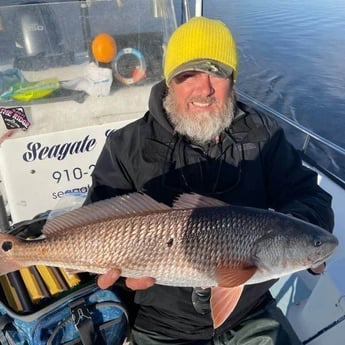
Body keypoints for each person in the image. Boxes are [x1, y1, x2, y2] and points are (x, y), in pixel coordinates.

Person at [85, 16, 334, 345]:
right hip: (161, 323)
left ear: (232, 78)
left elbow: (310, 196)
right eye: (188, 74)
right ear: (170, 80)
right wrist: (116, 280)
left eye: (216, 73)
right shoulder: (126, 145)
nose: (203, 89)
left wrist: (300, 237)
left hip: (248, 310)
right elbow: (94, 221)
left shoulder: (263, 135)